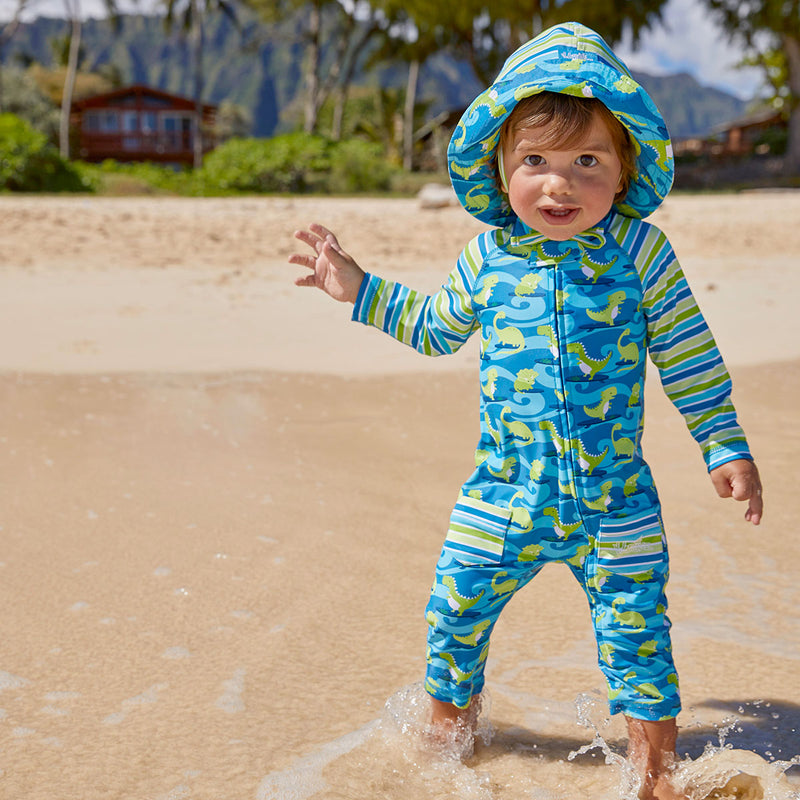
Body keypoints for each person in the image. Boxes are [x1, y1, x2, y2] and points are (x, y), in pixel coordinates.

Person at [289, 21, 763, 800]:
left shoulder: (641, 253)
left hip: (617, 502)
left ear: (624, 168)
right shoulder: (488, 254)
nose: (558, 184)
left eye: (587, 162)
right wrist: (361, 289)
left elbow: (688, 354)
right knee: (454, 610)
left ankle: (654, 776)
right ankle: (447, 749)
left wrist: (723, 443)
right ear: (501, 168)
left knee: (640, 639)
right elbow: (438, 327)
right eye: (535, 161)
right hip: (501, 492)